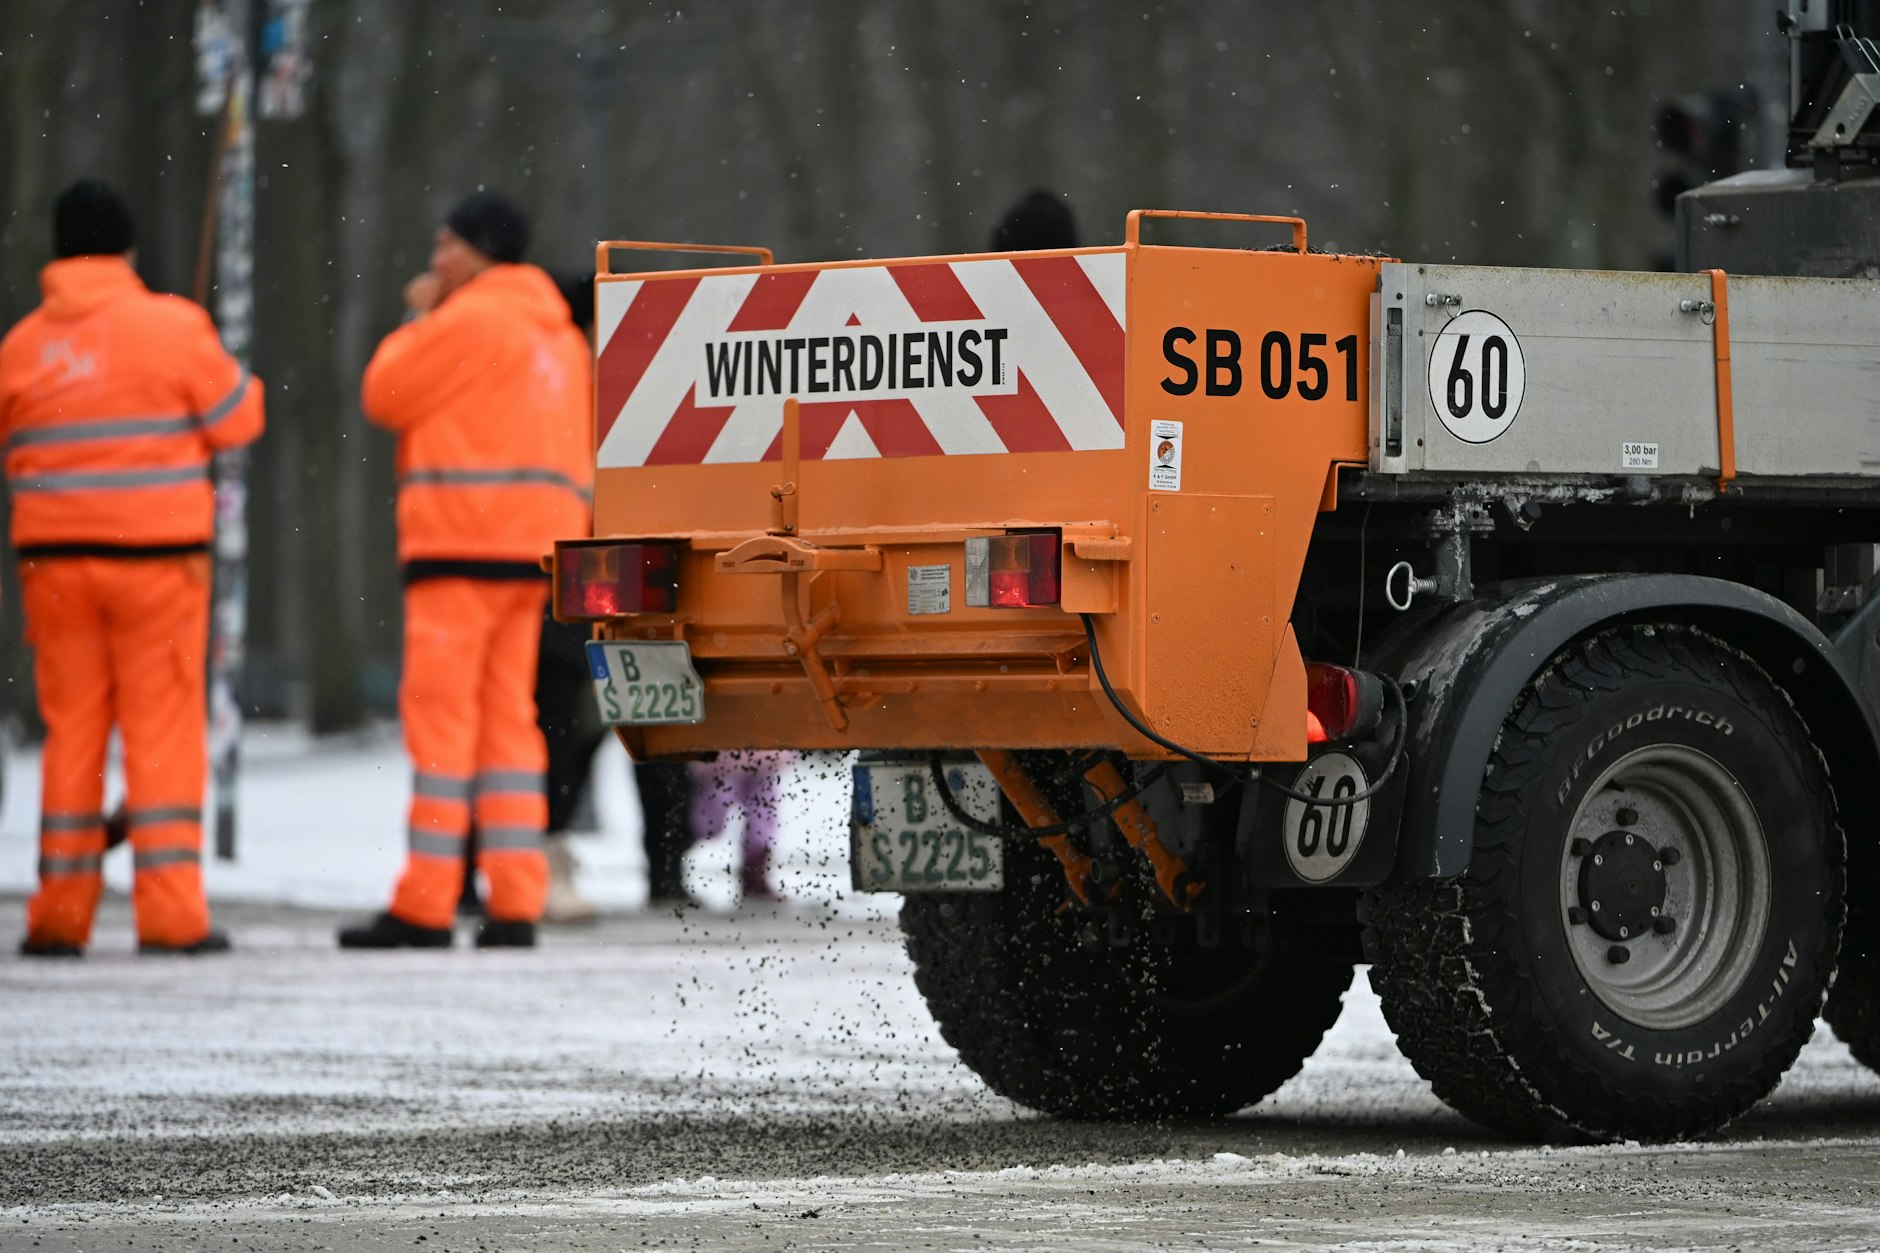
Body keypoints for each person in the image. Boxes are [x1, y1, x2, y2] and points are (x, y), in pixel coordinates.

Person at [0, 179, 264, 957]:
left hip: (53, 567)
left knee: (72, 732)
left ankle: (59, 912)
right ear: (126, 248)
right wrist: (227, 365)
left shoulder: (21, 345)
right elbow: (236, 420)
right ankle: (171, 913)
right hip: (158, 566)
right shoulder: (174, 326)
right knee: (162, 732)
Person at [337, 190, 589, 950]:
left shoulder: (468, 318)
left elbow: (384, 393)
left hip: (458, 550)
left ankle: (426, 901)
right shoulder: (563, 337)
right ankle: (515, 900)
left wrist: (420, 315)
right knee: (511, 726)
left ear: (478, 251)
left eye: (446, 244)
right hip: (533, 556)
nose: (436, 259)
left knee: (443, 724)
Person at [688, 752, 786, 903]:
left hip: (758, 747)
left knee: (762, 808)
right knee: (714, 807)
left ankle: (755, 871)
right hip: (723, 748)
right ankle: (677, 858)